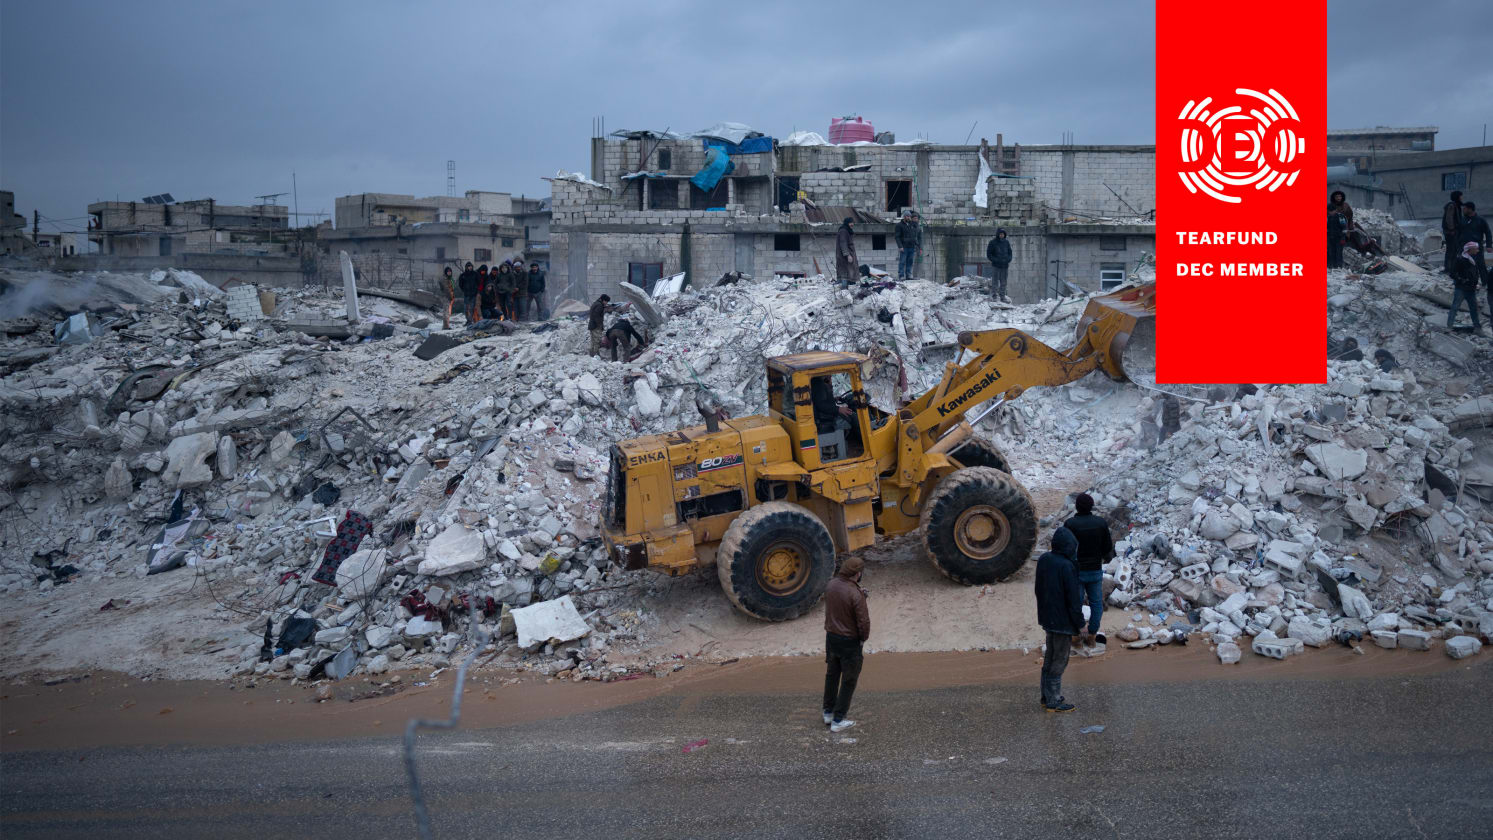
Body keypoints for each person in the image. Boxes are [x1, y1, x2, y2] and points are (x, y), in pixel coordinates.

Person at [1034, 526, 1087, 712]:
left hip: (1047, 617)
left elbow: (1038, 589)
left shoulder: (1044, 559)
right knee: (1060, 660)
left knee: (1049, 657)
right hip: (1063, 621)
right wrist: (1081, 624)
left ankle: (1046, 696)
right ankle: (1054, 701)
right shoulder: (1067, 566)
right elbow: (1073, 599)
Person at [822, 554, 869, 732]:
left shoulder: (831, 585)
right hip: (849, 642)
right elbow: (863, 623)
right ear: (857, 574)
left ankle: (828, 712)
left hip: (831, 637)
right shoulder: (856, 595)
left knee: (832, 675)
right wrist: (862, 639)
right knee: (849, 680)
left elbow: (840, 601)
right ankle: (839, 719)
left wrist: (860, 592)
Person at [1062, 493, 1114, 647]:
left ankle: (1077, 635)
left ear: (1076, 506)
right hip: (1095, 570)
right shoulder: (1101, 523)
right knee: (1097, 603)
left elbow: (1064, 548)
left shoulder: (1070, 524)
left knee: (1075, 604)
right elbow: (1107, 548)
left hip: (1076, 571)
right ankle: (1091, 634)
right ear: (1092, 506)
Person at [1448, 242, 1483, 332]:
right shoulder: (1460, 259)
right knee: (1455, 307)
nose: (1477, 250)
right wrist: (1462, 280)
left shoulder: (1472, 259)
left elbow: (1474, 273)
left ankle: (1477, 328)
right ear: (1470, 250)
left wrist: (1476, 283)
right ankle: (1449, 326)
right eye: (1476, 248)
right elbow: (1452, 273)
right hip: (1461, 288)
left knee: (1474, 309)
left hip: (1471, 289)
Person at [987, 228, 1013, 302]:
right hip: (996, 266)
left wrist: (1008, 260)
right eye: (1000, 234)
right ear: (998, 234)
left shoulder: (1006, 242)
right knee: (995, 281)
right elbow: (989, 254)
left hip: (1005, 266)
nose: (1001, 235)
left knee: (1003, 282)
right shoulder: (992, 242)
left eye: (1003, 234)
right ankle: (994, 296)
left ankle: (1002, 297)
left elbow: (1010, 253)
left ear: (1004, 235)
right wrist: (995, 260)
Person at [894, 210, 921, 280]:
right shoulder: (899, 225)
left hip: (911, 246)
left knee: (910, 261)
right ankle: (901, 275)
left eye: (909, 216)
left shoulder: (912, 224)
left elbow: (916, 230)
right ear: (904, 217)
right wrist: (900, 246)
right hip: (904, 247)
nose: (908, 217)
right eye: (907, 216)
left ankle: (908, 275)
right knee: (902, 261)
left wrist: (917, 245)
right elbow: (897, 237)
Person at [1442, 190, 1465, 275]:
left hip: (1454, 231)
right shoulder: (1452, 205)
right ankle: (1448, 269)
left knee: (1454, 250)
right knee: (1451, 250)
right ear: (1457, 197)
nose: (1462, 198)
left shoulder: (1456, 205)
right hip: (1451, 232)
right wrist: (1451, 229)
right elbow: (1449, 218)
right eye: (1460, 196)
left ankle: (1452, 269)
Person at [835, 218, 858, 289]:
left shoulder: (846, 230)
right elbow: (843, 243)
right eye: (850, 223)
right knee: (845, 271)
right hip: (844, 256)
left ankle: (845, 288)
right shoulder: (843, 231)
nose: (852, 224)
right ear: (847, 223)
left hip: (846, 255)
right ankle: (844, 289)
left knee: (846, 271)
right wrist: (847, 255)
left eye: (853, 223)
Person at [1327, 205, 1347, 269]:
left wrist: (1343, 238)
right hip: (1330, 238)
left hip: (1339, 238)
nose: (1330, 212)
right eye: (1329, 211)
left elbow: (1344, 228)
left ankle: (1339, 266)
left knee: (1339, 252)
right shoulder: (1328, 217)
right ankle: (1332, 266)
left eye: (1331, 211)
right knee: (1331, 252)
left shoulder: (1340, 217)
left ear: (1335, 210)